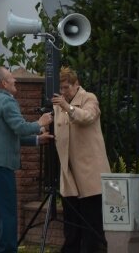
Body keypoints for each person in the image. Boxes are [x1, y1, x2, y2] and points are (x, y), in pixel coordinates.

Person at [0, 66, 53, 253]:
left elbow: (7, 135)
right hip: (0, 165)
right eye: (12, 78)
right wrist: (40, 123)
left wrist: (37, 139)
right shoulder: (7, 101)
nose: (15, 81)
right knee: (8, 212)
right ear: (4, 83)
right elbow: (19, 127)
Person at [51, 67, 110, 253]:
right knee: (71, 221)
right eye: (60, 88)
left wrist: (67, 107)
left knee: (91, 221)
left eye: (66, 87)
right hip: (68, 171)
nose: (63, 92)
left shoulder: (88, 98)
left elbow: (88, 116)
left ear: (77, 85)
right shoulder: (58, 104)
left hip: (89, 171)